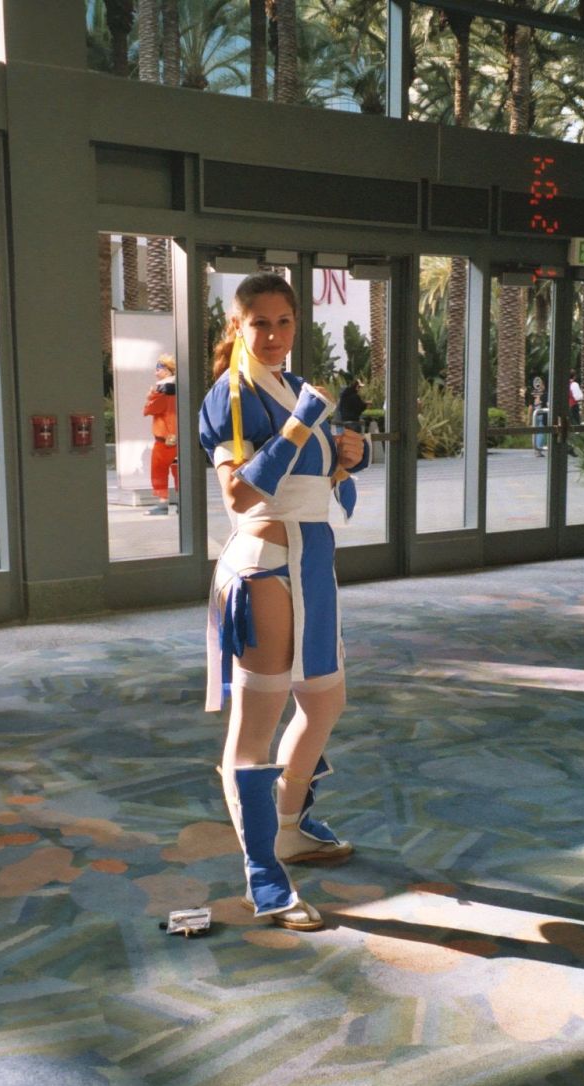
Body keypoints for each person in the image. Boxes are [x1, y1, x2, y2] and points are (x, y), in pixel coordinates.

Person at [199, 273, 369, 932]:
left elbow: (320, 483)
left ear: (297, 325)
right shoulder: (230, 395)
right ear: (237, 327)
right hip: (264, 568)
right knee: (255, 727)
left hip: (315, 563)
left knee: (324, 701)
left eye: (283, 322)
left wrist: (349, 455)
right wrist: (301, 428)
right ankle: (263, 876)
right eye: (259, 323)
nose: (272, 335)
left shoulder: (298, 387)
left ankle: (290, 826)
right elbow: (240, 495)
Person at [143, 354, 178, 516]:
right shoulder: (180, 389)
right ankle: (181, 502)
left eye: (158, 369)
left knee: (159, 470)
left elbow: (150, 409)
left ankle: (163, 503)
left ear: (167, 371)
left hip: (164, 437)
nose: (156, 372)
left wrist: (150, 396)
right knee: (178, 470)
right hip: (179, 437)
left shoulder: (161, 391)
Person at [532, 391, 548, 457]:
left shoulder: (536, 393)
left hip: (537, 414)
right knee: (541, 433)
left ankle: (537, 449)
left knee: (538, 432)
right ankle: (538, 450)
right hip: (542, 415)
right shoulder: (545, 394)